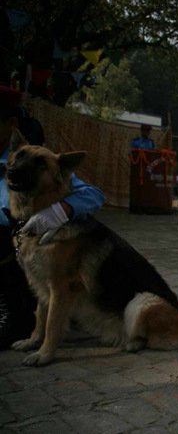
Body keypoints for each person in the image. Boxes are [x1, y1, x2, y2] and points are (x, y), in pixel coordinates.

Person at [0, 85, 105, 348]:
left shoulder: (37, 162)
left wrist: (62, 210)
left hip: (19, 260)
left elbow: (92, 195)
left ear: (11, 124)